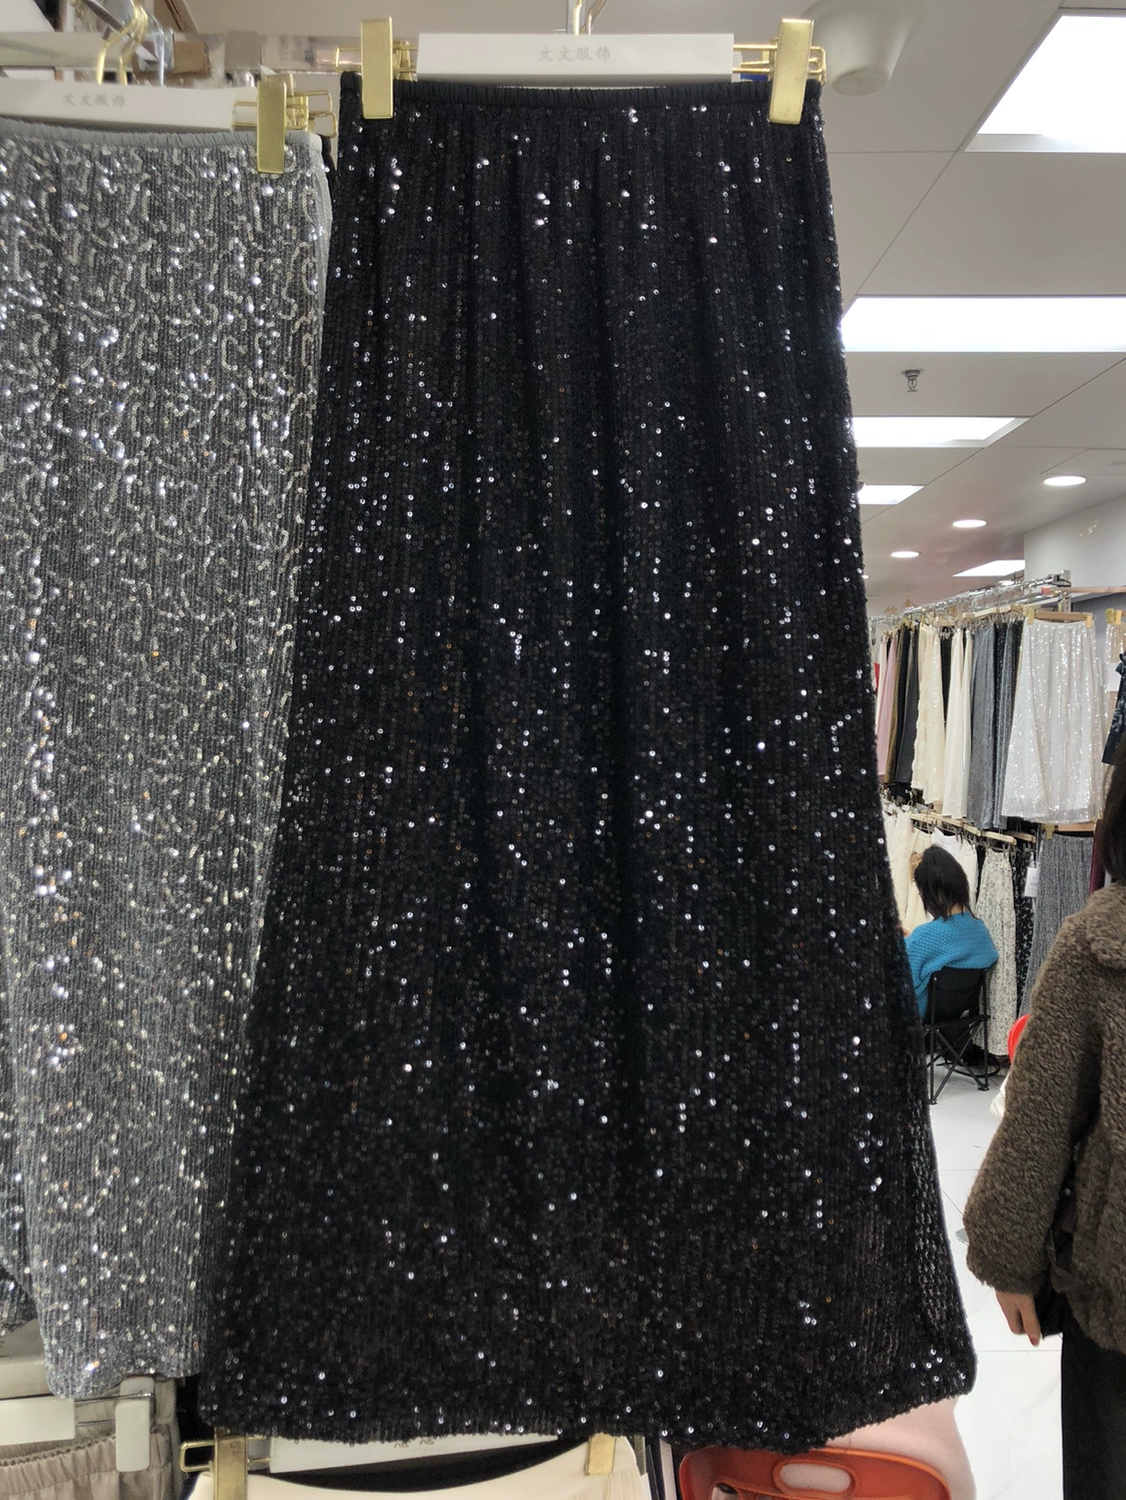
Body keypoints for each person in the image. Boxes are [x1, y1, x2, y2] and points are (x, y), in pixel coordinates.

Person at [964, 743, 1126, 1500]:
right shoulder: (1100, 949)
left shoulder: (1099, 944)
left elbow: (1038, 1117)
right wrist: (1008, 1254)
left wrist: (1008, 1257)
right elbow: (1041, 1117)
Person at [902, 845, 998, 1016]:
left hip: (918, 1020)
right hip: (959, 1022)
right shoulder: (980, 931)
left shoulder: (925, 937)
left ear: (931, 892)